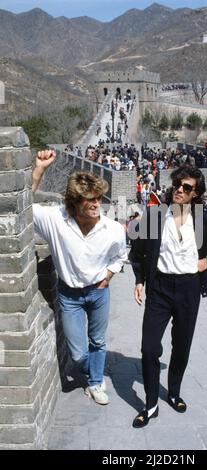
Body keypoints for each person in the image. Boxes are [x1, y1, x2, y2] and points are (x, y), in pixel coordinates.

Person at [129, 165, 207, 428]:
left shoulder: (206, 219)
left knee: (181, 345)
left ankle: (174, 391)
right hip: (159, 288)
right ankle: (150, 404)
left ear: (196, 193)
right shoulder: (156, 216)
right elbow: (138, 249)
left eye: (187, 187)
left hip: (189, 289)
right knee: (148, 348)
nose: (179, 189)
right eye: (177, 184)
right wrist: (138, 279)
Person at [32, 150, 127, 405]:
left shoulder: (113, 230)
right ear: (75, 202)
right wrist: (40, 169)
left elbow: (120, 257)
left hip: (98, 292)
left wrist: (107, 277)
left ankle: (95, 383)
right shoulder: (55, 220)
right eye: (90, 200)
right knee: (77, 353)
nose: (97, 204)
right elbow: (22, 203)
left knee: (97, 340)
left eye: (99, 198)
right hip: (69, 294)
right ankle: (92, 370)